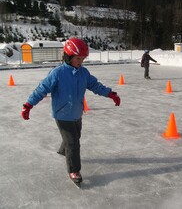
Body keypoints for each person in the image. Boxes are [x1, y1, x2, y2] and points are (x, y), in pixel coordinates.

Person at [21, 37, 121, 184]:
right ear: (68, 56)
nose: (80, 61)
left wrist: (110, 94)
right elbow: (41, 90)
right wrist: (28, 105)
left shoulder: (83, 73)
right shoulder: (57, 73)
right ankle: (74, 170)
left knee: (75, 137)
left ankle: (64, 150)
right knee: (73, 143)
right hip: (62, 114)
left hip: (76, 113)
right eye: (78, 58)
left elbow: (96, 86)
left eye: (82, 59)